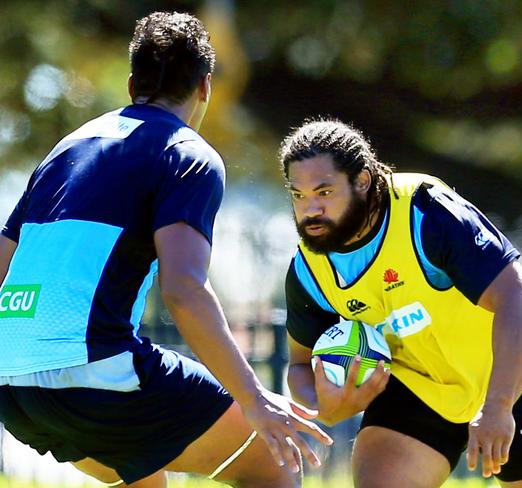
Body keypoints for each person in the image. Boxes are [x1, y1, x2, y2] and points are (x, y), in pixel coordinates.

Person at [0, 12, 332, 488]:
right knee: (273, 462)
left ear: (132, 83)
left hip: (12, 385)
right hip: (97, 377)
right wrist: (255, 399)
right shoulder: (186, 154)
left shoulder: (64, 150)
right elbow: (184, 291)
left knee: (146, 474)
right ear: (205, 88)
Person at [279, 118, 522, 487]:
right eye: (298, 195)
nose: (310, 210)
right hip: (421, 386)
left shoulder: (425, 213)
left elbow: (520, 302)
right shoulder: (309, 268)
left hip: (514, 377)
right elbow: (299, 365)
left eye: (324, 192)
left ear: (363, 181)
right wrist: (326, 404)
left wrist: (498, 405)